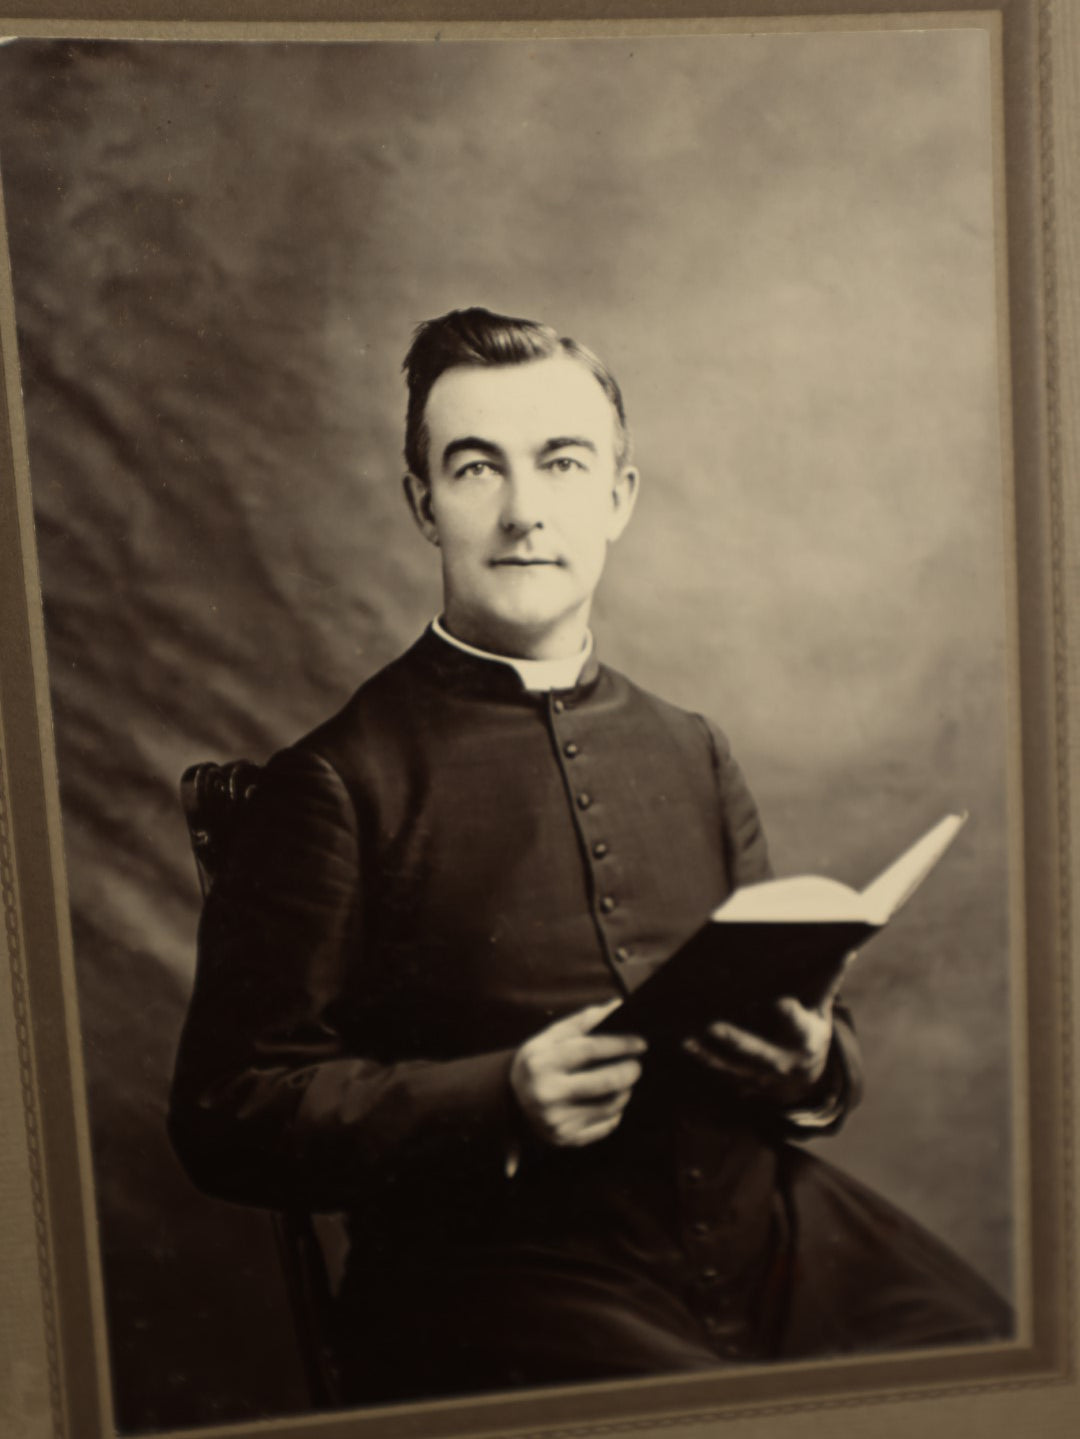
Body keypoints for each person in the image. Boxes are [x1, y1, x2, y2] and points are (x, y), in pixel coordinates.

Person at [169, 307, 1011, 1404]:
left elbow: (802, 1011)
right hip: (506, 1281)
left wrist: (809, 1065)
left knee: (994, 1364)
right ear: (423, 502)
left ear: (618, 495)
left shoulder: (692, 747)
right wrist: (498, 1096)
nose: (525, 512)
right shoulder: (335, 780)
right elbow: (226, 1109)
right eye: (477, 468)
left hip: (775, 1239)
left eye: (561, 463)